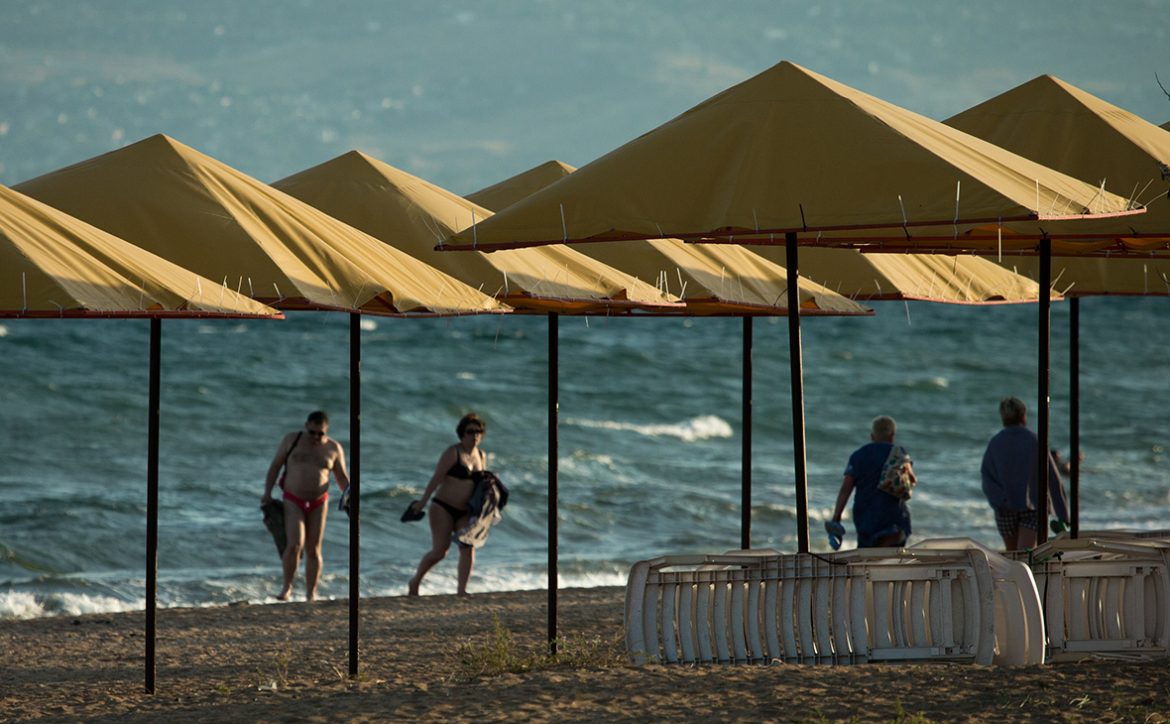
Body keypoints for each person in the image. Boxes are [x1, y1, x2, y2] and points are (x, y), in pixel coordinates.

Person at [261, 410, 350, 601]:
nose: (316, 437)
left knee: (314, 549)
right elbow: (275, 466)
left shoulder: (333, 448)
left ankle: (311, 593)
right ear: (306, 426)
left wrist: (350, 496)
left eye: (321, 433)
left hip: (319, 502)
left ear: (326, 430)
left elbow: (341, 477)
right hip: (293, 499)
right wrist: (267, 493)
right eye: (312, 432)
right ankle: (287, 588)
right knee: (294, 544)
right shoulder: (292, 440)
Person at [407, 413, 488, 596]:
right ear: (462, 434)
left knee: (467, 548)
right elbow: (436, 479)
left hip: (465, 511)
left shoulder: (481, 456)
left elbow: (480, 485)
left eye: (478, 432)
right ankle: (415, 581)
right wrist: (422, 502)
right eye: (470, 432)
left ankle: (462, 591)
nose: (474, 435)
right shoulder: (453, 452)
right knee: (440, 552)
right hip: (443, 507)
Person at [981, 397, 1070, 551]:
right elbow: (1053, 478)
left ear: (1003, 417)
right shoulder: (1034, 440)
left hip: (1005, 509)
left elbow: (987, 477)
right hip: (1033, 508)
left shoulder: (995, 442)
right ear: (1023, 416)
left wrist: (1000, 502)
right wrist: (1063, 514)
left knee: (1013, 556)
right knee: (1024, 555)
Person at [829, 415, 915, 549]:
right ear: (892, 435)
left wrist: (836, 517)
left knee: (867, 556)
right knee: (891, 557)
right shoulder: (899, 453)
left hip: (866, 518)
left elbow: (846, 489)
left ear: (872, 436)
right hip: (894, 519)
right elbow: (910, 481)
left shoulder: (858, 455)